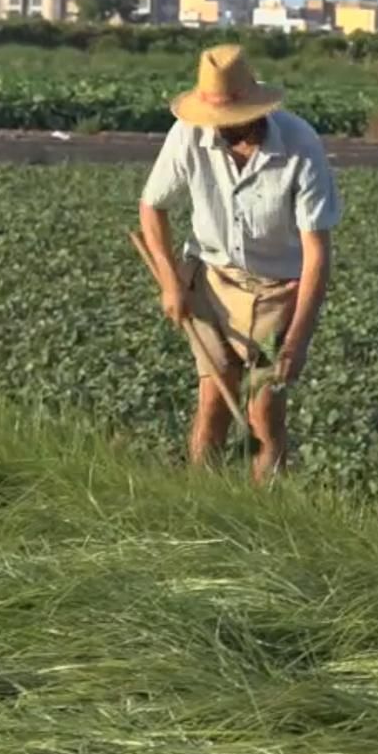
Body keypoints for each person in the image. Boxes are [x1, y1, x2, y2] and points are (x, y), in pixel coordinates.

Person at [137, 44, 343, 484]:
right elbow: (151, 207)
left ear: (257, 111)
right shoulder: (187, 135)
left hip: (277, 292)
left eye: (232, 122)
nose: (221, 130)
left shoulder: (300, 146)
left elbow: (316, 255)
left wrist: (297, 342)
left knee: (263, 410)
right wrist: (172, 284)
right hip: (210, 281)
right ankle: (200, 498)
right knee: (214, 397)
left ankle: (265, 507)